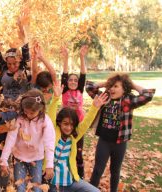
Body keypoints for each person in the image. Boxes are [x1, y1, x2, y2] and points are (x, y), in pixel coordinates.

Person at [86, 73, 155, 192]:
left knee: (115, 171)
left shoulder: (128, 100)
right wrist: (106, 83)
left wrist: (132, 85)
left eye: (116, 86)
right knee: (98, 170)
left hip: (120, 142)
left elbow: (148, 95)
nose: (112, 89)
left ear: (125, 89)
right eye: (111, 86)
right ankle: (91, 190)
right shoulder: (104, 97)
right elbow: (89, 87)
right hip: (104, 141)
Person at [46, 82, 107, 192]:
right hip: (52, 183)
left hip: (70, 182)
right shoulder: (53, 133)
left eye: (72, 125)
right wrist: (55, 98)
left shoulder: (73, 137)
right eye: (65, 123)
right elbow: (50, 117)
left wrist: (94, 108)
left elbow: (86, 123)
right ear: (59, 123)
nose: (69, 128)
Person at [0, 89, 56, 192]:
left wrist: (49, 165)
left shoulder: (45, 121)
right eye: (26, 112)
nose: (29, 115)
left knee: (36, 187)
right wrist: (4, 159)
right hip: (19, 157)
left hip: (36, 158)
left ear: (41, 108)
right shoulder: (19, 119)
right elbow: (10, 139)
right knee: (20, 186)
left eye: (32, 112)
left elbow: (49, 143)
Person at [60, 45, 88, 178]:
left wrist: (82, 57)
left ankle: (80, 176)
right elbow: (64, 74)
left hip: (78, 125)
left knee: (78, 152)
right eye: (70, 80)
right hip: (65, 124)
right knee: (65, 150)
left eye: (75, 80)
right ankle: (63, 172)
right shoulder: (64, 91)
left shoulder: (80, 90)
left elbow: (83, 75)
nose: (72, 81)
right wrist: (66, 58)